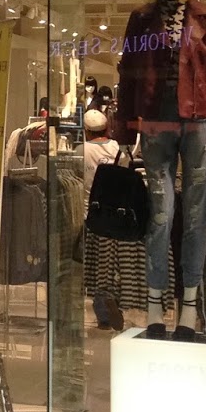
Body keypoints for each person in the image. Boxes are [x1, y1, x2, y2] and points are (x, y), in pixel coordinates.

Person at [82, 108, 127, 331]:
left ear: (86, 130)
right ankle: (115, 299)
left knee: (95, 265)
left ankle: (103, 313)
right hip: (115, 214)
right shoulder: (117, 148)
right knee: (113, 262)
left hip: (91, 214)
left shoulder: (81, 150)